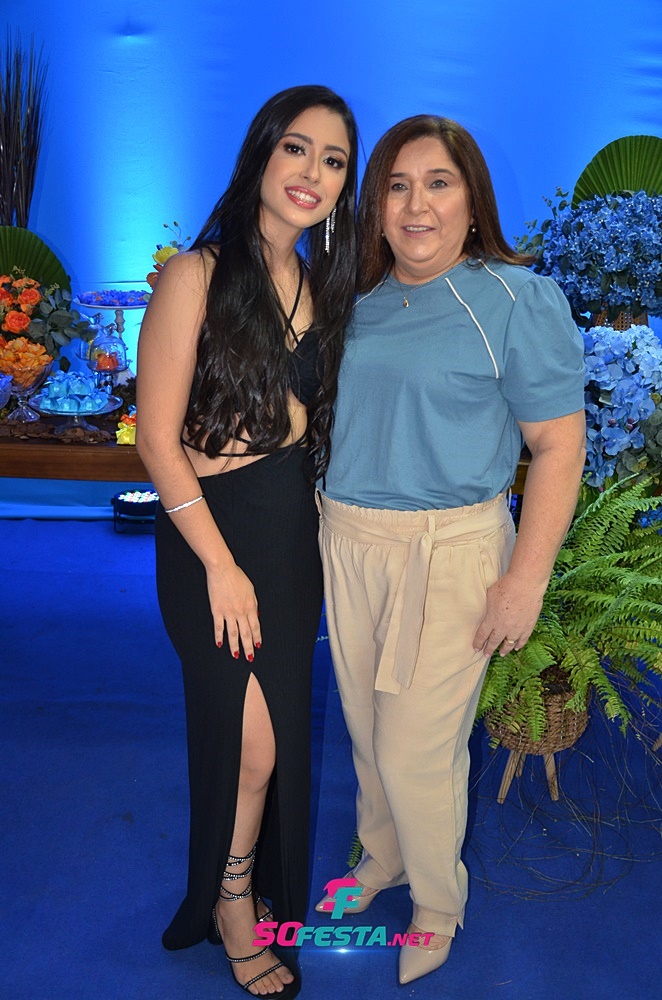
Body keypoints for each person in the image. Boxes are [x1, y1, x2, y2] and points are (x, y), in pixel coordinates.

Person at [314, 115, 586, 985]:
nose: (415, 205)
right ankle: (384, 857)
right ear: (374, 205)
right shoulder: (352, 299)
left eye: (438, 183)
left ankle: (437, 902)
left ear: (473, 200)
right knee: (368, 734)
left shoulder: (512, 300)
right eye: (396, 186)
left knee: (415, 750)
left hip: (451, 549)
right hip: (348, 539)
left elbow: (559, 445)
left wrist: (525, 580)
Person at [136, 85, 358, 999]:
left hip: (290, 541)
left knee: (275, 741)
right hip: (213, 542)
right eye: (297, 148)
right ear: (262, 152)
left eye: (334, 161)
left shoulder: (326, 286)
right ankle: (232, 903)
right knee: (251, 748)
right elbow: (157, 441)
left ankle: (246, 888)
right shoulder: (195, 276)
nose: (313, 173)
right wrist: (220, 566)